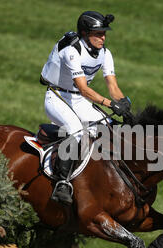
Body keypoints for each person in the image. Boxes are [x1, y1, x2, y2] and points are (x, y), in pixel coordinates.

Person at [40, 11, 132, 206]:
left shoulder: (105, 54)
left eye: (104, 33)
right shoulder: (72, 51)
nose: (103, 38)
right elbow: (83, 88)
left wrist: (124, 105)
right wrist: (109, 104)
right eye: (98, 33)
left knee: (111, 127)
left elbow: (113, 87)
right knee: (76, 131)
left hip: (79, 100)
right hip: (57, 96)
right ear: (84, 33)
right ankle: (62, 183)